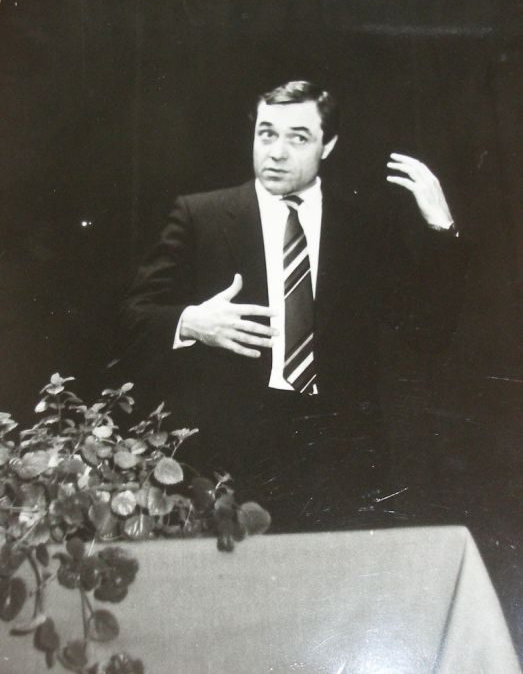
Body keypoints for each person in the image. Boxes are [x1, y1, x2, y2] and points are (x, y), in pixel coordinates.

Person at [120, 80, 468, 530]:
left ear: (329, 144)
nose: (277, 153)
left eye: (298, 138)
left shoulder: (364, 227)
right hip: (228, 457)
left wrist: (441, 226)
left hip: (341, 457)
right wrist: (191, 322)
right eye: (266, 134)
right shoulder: (200, 216)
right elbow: (132, 318)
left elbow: (429, 332)